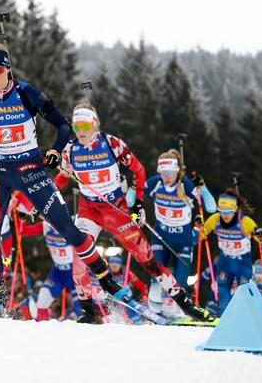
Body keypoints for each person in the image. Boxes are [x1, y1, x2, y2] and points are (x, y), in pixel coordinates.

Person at [0, 45, 128, 317]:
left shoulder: (26, 93)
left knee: (67, 229)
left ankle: (105, 276)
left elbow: (63, 125)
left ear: (7, 69)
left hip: (31, 169)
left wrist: (54, 150)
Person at [54, 103, 211, 323]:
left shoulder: (112, 143)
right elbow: (62, 177)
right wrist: (45, 196)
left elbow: (138, 169)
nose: (80, 131)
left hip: (116, 210)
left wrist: (137, 204)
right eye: (77, 125)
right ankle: (88, 312)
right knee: (79, 255)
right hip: (88, 210)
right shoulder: (70, 150)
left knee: (148, 260)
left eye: (85, 125)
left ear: (95, 124)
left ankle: (186, 306)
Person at [134, 150, 217, 317]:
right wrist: (133, 195)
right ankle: (154, 311)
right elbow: (132, 200)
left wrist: (203, 187)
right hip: (161, 237)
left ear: (178, 171)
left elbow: (211, 208)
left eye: (170, 172)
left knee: (180, 282)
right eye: (163, 173)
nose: (166, 176)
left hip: (183, 241)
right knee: (156, 274)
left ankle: (178, 312)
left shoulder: (186, 185)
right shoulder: (155, 183)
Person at [200, 190, 262, 315]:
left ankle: (244, 317)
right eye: (222, 211)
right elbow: (198, 238)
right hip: (225, 261)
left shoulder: (245, 222)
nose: (225, 215)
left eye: (228, 212)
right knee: (222, 289)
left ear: (235, 210)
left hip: (242, 262)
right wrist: (197, 229)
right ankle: (225, 319)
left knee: (243, 291)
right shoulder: (215, 219)